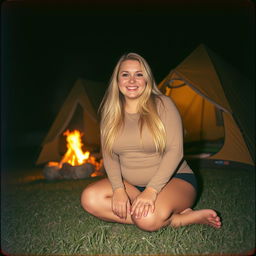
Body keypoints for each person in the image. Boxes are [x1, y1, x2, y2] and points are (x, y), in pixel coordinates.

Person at [81, 52, 222, 231]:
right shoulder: (110, 114)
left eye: (139, 74)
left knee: (147, 220)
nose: (132, 80)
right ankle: (173, 217)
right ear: (117, 81)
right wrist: (118, 190)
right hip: (132, 185)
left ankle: (177, 219)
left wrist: (151, 191)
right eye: (125, 74)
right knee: (90, 199)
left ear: (147, 79)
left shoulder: (163, 104)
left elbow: (175, 150)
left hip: (174, 180)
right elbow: (110, 156)